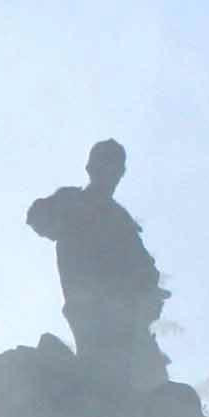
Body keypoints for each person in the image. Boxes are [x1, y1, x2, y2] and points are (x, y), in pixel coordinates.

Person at [24, 139, 170, 390]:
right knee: (102, 376)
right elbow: (37, 218)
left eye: (114, 168)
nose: (109, 173)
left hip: (124, 314)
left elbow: (145, 267)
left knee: (151, 380)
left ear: (121, 173)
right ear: (91, 167)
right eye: (104, 165)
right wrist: (71, 216)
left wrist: (148, 288)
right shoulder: (72, 201)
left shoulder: (120, 219)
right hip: (90, 308)